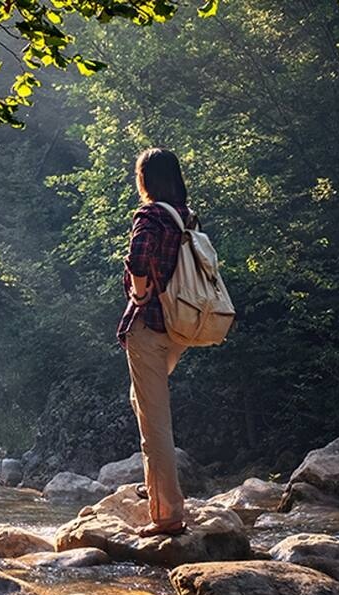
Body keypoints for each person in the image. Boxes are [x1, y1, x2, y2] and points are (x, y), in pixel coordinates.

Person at [117, 148, 196, 537]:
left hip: (148, 325)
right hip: (178, 327)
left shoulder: (150, 216)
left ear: (144, 180)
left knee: (154, 424)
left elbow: (137, 256)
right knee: (143, 403)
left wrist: (141, 292)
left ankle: (166, 516)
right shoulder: (186, 217)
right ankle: (156, 489)